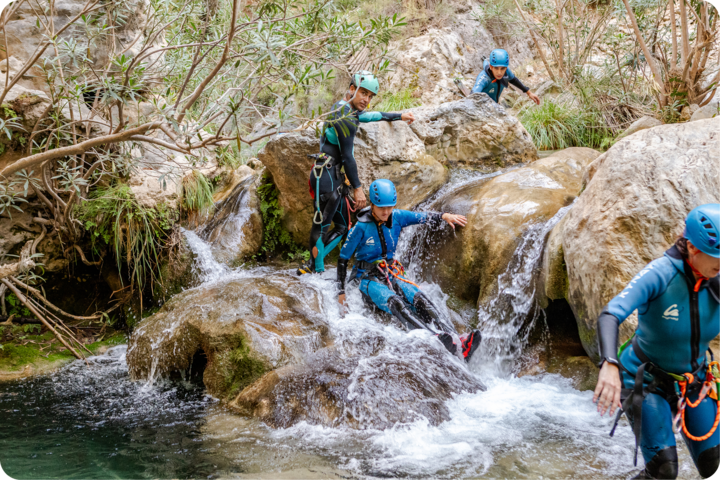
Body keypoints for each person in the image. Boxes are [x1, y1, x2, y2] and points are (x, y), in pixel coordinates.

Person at [594, 204, 720, 480]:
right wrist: (609, 364)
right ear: (693, 249)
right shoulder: (660, 275)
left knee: (716, 464)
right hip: (646, 380)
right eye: (718, 260)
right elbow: (610, 315)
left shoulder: (716, 279)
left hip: (695, 380)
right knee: (663, 470)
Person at [335, 178, 482, 362]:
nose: (386, 212)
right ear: (372, 205)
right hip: (367, 279)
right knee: (396, 303)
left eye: (389, 207)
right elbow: (342, 259)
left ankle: (458, 340)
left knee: (420, 298)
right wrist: (341, 291)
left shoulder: (397, 217)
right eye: (382, 208)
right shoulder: (360, 227)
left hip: (390, 272)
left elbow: (421, 217)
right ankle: (432, 339)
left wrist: (444, 216)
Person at [297, 71, 415, 275]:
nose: (367, 100)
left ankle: (314, 263)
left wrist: (399, 116)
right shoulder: (345, 117)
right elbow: (348, 157)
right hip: (325, 179)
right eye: (363, 93)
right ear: (352, 89)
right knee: (322, 224)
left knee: (342, 226)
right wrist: (359, 189)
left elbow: (371, 116)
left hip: (332, 177)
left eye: (370, 96)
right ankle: (315, 270)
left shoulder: (345, 109)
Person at [471, 48, 541, 105]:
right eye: (496, 68)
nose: (499, 72)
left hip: (495, 105)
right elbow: (473, 94)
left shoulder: (506, 71)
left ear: (506, 68)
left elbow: (514, 80)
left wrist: (529, 93)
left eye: (502, 68)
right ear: (491, 67)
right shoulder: (484, 77)